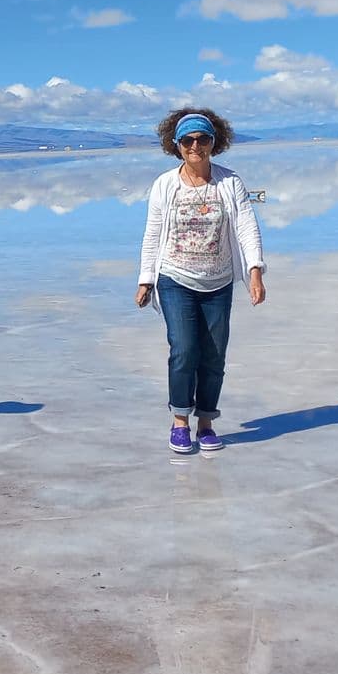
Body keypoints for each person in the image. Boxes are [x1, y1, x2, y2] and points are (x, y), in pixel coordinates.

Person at [135, 107, 266, 455]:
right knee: (184, 349)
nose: (196, 146)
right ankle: (180, 421)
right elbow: (152, 234)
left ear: (214, 142)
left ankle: (206, 422)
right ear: (176, 144)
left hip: (218, 282)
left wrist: (255, 271)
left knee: (213, 355)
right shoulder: (165, 185)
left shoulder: (229, 182)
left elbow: (246, 226)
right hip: (174, 278)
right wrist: (146, 279)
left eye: (203, 139)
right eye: (188, 140)